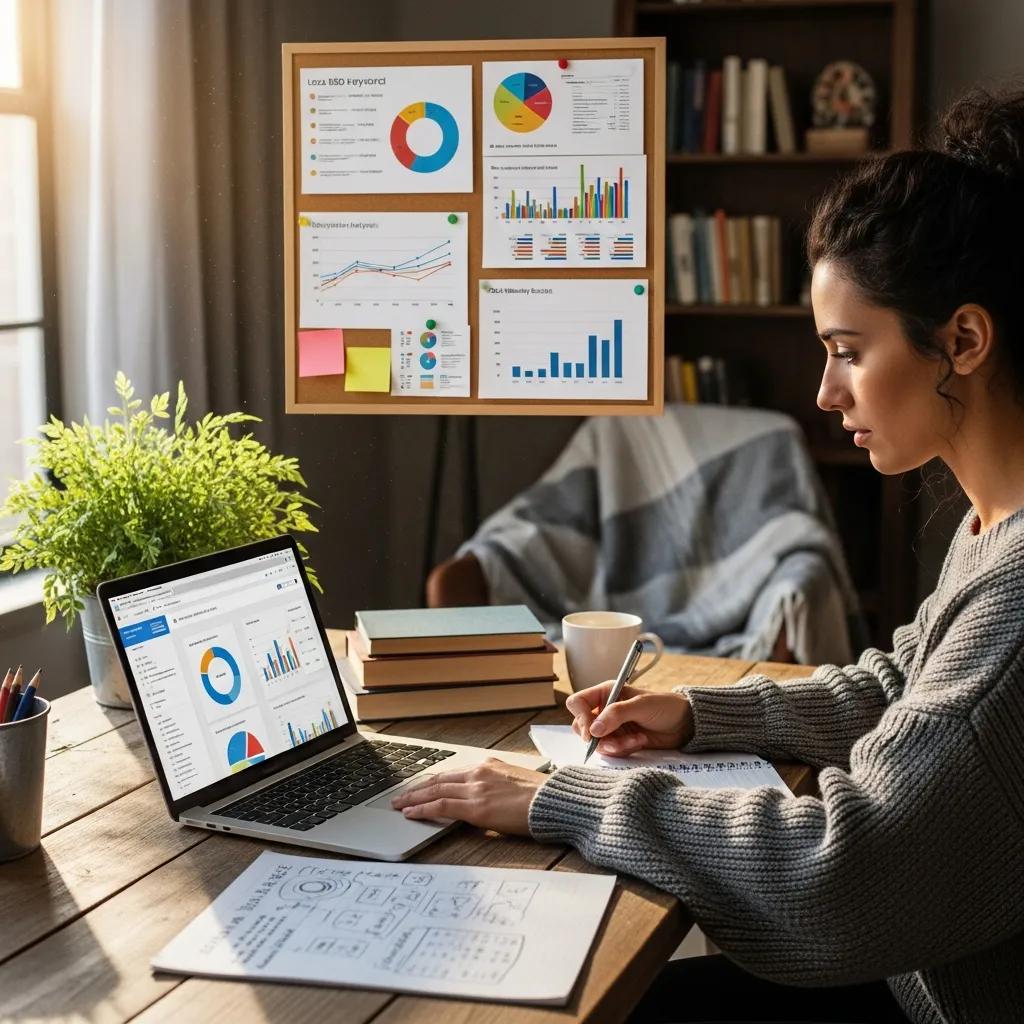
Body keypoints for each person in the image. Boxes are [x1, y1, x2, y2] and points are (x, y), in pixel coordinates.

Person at [392, 85, 1024, 1023]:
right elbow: (906, 690)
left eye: (848, 350)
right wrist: (699, 715)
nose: (825, 392)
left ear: (963, 340)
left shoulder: (1016, 594)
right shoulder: (993, 528)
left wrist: (559, 799)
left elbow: (840, 874)